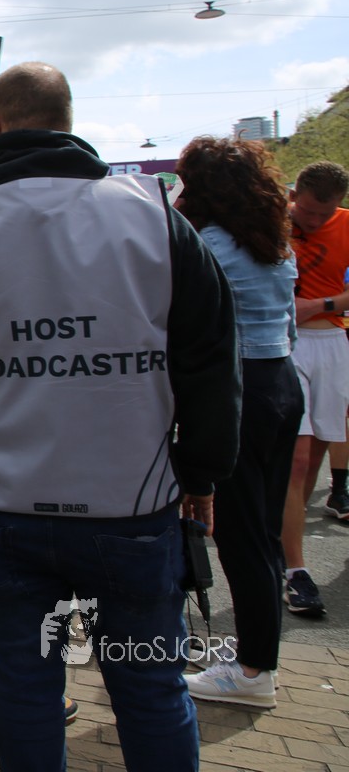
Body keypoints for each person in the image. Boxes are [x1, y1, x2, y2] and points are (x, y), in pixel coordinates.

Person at [0, 62, 240, 771]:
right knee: (150, 688)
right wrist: (202, 476)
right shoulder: (153, 217)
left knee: (26, 685)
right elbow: (212, 359)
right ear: (69, 122)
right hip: (132, 503)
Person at [174, 136, 302, 707]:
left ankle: (253, 672)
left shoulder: (208, 247)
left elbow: (183, 331)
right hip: (283, 382)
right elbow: (289, 324)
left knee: (240, 538)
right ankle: (259, 658)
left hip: (241, 389)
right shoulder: (273, 244)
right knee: (264, 534)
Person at [280, 161, 349, 616]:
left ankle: (285, 540)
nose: (315, 220)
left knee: (318, 453)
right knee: (298, 458)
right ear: (295, 195)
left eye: (325, 214)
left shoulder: (346, 225)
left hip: (333, 342)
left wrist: (320, 304)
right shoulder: (271, 221)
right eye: (307, 212)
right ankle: (296, 570)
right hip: (288, 344)